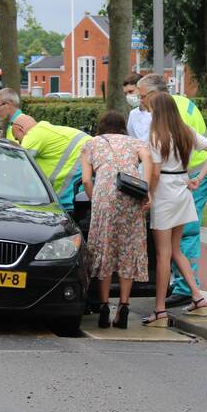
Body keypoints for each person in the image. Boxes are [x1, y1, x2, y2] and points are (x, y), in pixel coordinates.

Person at [135, 73, 207, 308]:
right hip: (183, 189)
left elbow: (154, 172)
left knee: (163, 254)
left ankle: (160, 308)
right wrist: (198, 178)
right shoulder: (186, 130)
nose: (142, 103)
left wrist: (148, 194)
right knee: (176, 249)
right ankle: (197, 295)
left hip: (165, 193)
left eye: (144, 98)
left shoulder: (156, 136)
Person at [80, 111, 153, 329]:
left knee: (104, 249)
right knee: (127, 250)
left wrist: (95, 198)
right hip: (131, 197)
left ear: (101, 126)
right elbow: (148, 159)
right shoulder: (135, 142)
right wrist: (146, 189)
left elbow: (86, 180)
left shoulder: (91, 143)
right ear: (123, 127)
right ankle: (124, 305)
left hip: (104, 199)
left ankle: (104, 306)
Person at [10, 113, 89, 213]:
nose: (19, 142)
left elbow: (16, 163)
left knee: (67, 204)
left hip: (80, 162)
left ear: (21, 129)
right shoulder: (45, 130)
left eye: (17, 138)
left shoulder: (34, 134)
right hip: (88, 157)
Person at [123, 72, 151, 140]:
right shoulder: (133, 114)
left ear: (141, 89)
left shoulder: (157, 112)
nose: (128, 96)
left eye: (131, 91)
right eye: (125, 93)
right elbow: (131, 138)